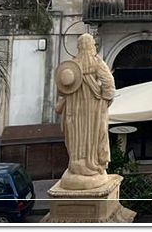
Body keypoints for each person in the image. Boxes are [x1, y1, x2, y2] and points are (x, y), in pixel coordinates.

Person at [54, 33, 116, 187]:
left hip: (73, 110)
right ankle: (91, 164)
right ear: (91, 46)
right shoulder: (97, 63)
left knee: (75, 136)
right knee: (93, 135)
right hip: (93, 109)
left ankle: (77, 163)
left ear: (79, 47)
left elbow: (62, 89)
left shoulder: (72, 65)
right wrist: (105, 101)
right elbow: (109, 83)